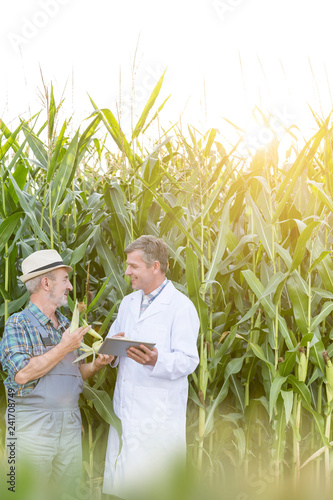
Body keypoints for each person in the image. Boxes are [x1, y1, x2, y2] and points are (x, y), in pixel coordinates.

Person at [0, 249, 113, 494]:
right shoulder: (18, 324)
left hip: (70, 424)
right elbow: (22, 374)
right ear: (45, 283)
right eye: (65, 280)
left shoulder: (65, 324)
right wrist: (64, 347)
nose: (70, 287)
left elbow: (70, 375)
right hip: (33, 425)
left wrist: (95, 365)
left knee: (68, 493)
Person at [102, 235, 200, 497]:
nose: (126, 272)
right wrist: (108, 354)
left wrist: (158, 360)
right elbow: (114, 343)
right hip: (125, 410)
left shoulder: (180, 307)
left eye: (133, 266)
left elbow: (189, 360)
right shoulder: (128, 303)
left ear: (155, 266)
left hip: (158, 418)